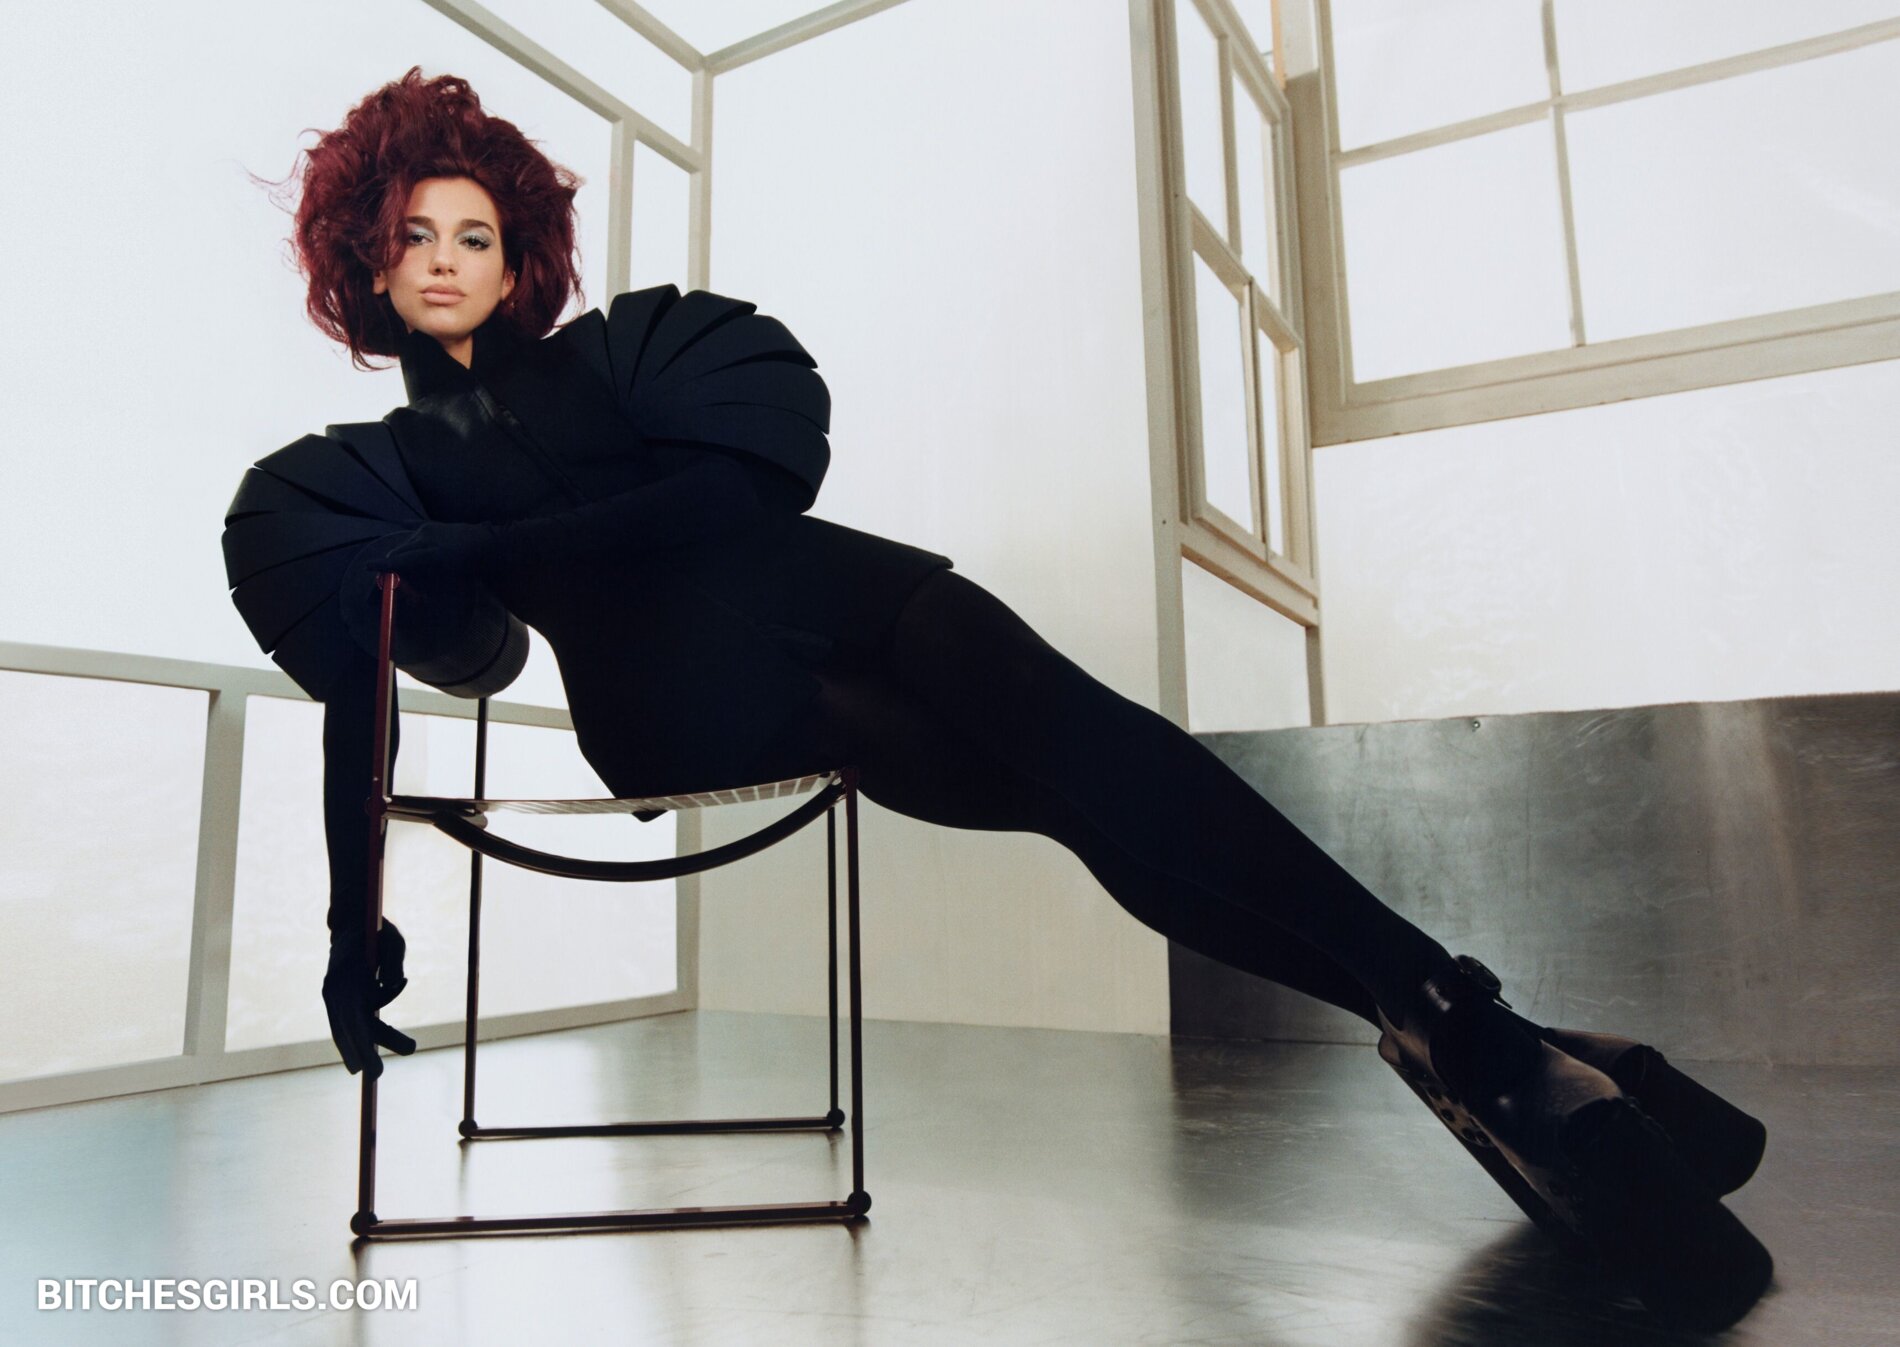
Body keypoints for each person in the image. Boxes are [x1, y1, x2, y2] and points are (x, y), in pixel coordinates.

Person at [245, 67, 1771, 1328]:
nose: (445, 258)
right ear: (364, 263)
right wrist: (346, 918)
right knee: (1078, 788)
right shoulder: (375, 475)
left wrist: (493, 549)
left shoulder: (620, 353)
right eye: (413, 235)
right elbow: (366, 673)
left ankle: (1448, 1016)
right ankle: (1470, 1025)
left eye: (476, 232)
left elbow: (735, 496)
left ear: (520, 253)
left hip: (826, 585)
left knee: (1086, 767)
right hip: (689, 701)